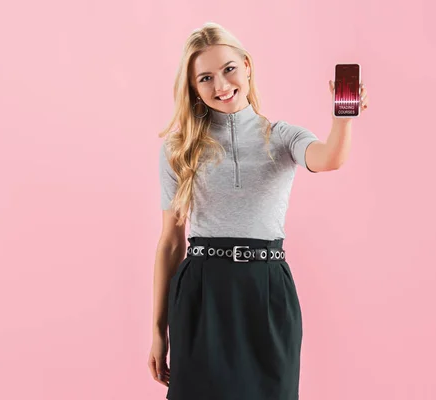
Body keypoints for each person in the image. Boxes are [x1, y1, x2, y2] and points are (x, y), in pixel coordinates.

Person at [148, 22, 369, 400]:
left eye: (229, 69)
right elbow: (170, 242)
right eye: (205, 78)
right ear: (194, 89)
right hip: (202, 293)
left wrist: (342, 121)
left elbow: (329, 158)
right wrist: (157, 331)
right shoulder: (177, 149)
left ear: (247, 66)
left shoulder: (283, 136)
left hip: (267, 289)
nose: (221, 86)